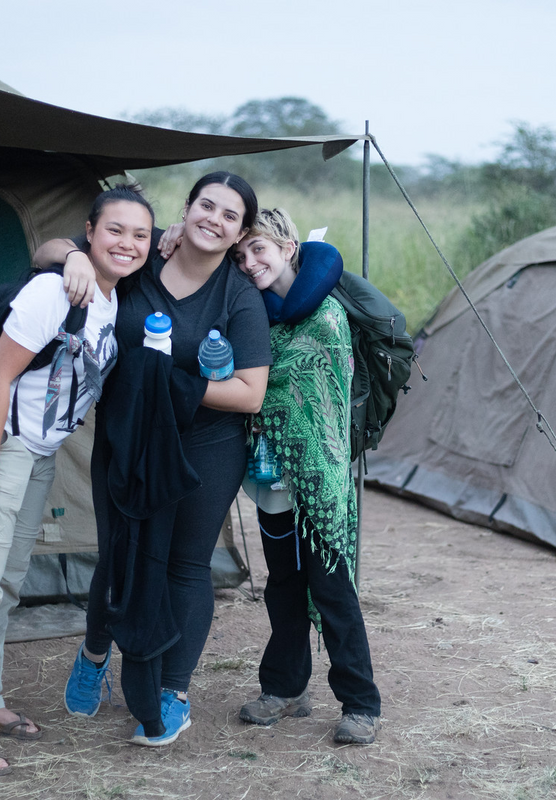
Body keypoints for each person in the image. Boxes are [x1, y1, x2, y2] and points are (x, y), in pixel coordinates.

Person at [34, 172, 269, 746]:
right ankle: (94, 656)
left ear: (239, 234)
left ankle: (173, 690)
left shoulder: (237, 295)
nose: (213, 219)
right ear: (185, 211)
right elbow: (45, 248)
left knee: (186, 566)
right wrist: (75, 259)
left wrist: (172, 382)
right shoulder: (140, 250)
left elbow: (250, 392)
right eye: (205, 205)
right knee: (119, 553)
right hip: (130, 438)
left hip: (205, 446)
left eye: (229, 215)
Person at [0, 184, 152, 776]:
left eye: (140, 235)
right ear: (90, 231)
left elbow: (59, 250)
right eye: (114, 231)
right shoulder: (56, 291)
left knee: (3, 584)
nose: (127, 244)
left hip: (38, 455)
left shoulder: (108, 296)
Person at [233, 209, 382, 744]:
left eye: (260, 250)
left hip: (320, 475)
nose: (250, 263)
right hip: (273, 477)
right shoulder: (258, 312)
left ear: (290, 246)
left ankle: (360, 702)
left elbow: (299, 386)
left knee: (333, 588)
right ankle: (285, 686)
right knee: (284, 585)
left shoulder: (324, 316)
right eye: (242, 255)